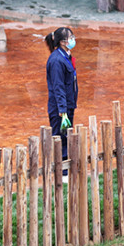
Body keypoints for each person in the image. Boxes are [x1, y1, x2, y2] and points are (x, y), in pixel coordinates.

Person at [45, 27, 78, 181]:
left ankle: (65, 168)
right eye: (70, 37)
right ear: (63, 42)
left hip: (67, 104)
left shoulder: (65, 55)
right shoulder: (57, 60)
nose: (73, 39)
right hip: (60, 108)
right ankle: (62, 173)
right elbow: (58, 86)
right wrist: (63, 110)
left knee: (66, 136)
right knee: (60, 137)